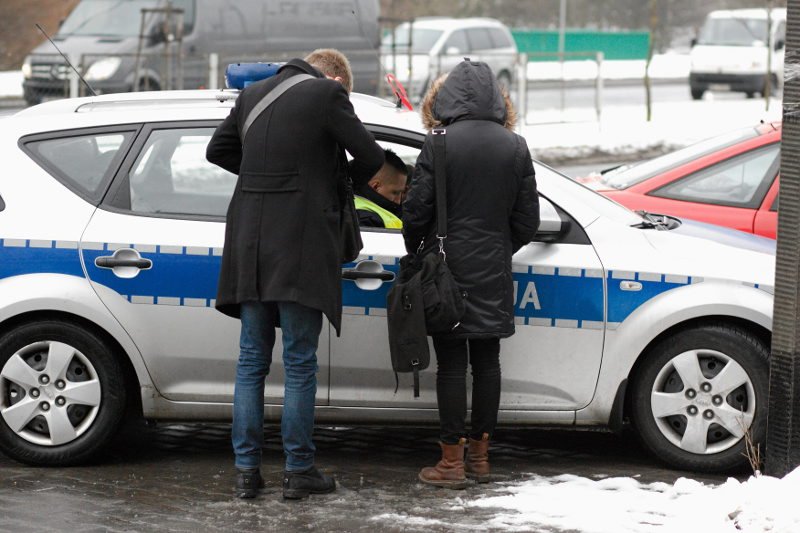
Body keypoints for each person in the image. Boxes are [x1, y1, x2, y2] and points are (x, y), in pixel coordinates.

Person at [206, 49, 384, 500]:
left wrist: (263, 176)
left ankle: (246, 471)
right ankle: (298, 469)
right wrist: (326, 181)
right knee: (300, 362)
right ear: (333, 78)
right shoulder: (327, 94)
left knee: (251, 362)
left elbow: (218, 149)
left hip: (249, 246)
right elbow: (370, 157)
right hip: (300, 247)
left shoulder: (252, 95)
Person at [402, 60, 540, 489]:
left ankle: (450, 463)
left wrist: (419, 249)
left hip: (447, 270)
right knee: (488, 363)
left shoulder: (438, 143)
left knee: (450, 366)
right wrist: (500, 248)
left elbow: (416, 212)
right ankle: (481, 458)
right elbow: (528, 220)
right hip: (493, 270)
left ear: (447, 98)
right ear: (497, 99)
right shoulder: (515, 146)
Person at [354, 148, 408, 229]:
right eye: (395, 193)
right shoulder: (367, 219)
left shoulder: (354, 204)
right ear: (376, 186)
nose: (398, 201)